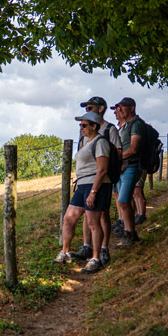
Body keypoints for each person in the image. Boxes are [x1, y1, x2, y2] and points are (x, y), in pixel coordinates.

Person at [53, 110, 113, 274]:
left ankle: (95, 259)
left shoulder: (100, 142)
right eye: (80, 125)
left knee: (93, 222)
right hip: (82, 185)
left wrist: (94, 191)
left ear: (94, 126)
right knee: (68, 219)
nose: (81, 128)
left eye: (85, 125)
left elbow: (102, 169)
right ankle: (65, 253)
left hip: (96, 185)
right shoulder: (87, 142)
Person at [71, 96, 120, 265]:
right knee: (88, 215)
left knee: (103, 215)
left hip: (102, 179)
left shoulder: (110, 130)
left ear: (100, 109)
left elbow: (117, 154)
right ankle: (87, 246)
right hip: (86, 179)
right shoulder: (85, 133)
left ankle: (103, 248)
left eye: (90, 108)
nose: (87, 111)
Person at [111, 97, 145, 247]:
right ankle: (129, 233)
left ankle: (129, 234)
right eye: (118, 108)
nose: (119, 110)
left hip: (131, 166)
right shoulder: (125, 126)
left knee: (123, 201)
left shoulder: (136, 124)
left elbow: (134, 149)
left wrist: (116, 159)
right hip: (123, 168)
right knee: (123, 201)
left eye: (122, 107)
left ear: (131, 108)